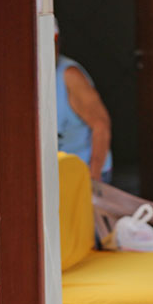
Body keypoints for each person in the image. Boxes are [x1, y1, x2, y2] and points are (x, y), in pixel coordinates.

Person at [55, 21, 113, 183]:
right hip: (58, 174)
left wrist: (93, 178)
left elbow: (101, 126)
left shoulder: (69, 76)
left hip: (85, 171)